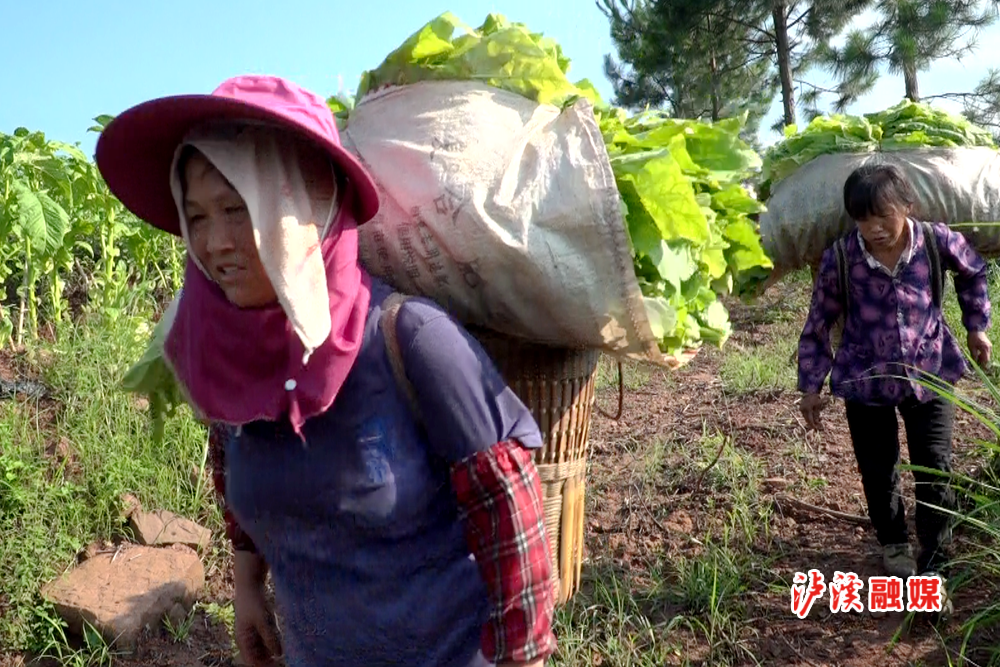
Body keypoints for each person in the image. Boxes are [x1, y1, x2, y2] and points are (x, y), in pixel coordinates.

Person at [96, 75, 556, 667]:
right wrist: (245, 589)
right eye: (198, 216)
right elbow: (234, 478)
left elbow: (510, 514)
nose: (215, 243)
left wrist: (523, 658)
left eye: (238, 209)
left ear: (302, 208)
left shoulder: (410, 340)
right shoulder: (223, 362)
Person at [797, 163, 992, 588]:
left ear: (907, 206)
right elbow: (818, 320)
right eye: (862, 220)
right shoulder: (842, 257)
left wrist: (976, 325)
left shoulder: (935, 241)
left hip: (931, 370)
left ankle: (936, 556)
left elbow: (975, 270)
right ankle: (894, 543)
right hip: (865, 379)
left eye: (882, 216)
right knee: (877, 466)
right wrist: (811, 384)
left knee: (935, 466)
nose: (874, 229)